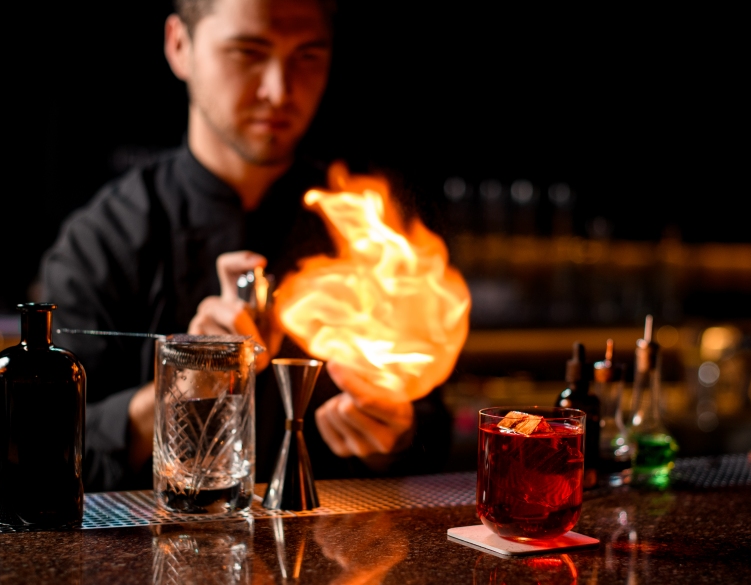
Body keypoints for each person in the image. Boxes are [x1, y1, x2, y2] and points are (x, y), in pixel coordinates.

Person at [39, 0, 452, 492]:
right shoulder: (102, 241)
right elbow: (54, 450)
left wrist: (395, 434)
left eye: (307, 56)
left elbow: (433, 426)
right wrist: (185, 384)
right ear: (179, 47)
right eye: (247, 52)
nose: (279, 90)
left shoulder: (372, 226)